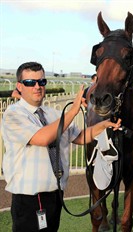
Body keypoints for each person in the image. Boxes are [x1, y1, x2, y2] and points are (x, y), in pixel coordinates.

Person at [1, 62, 121, 232]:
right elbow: (43, 138)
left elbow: (79, 137)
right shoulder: (13, 114)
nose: (37, 87)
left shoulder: (53, 114)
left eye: (41, 82)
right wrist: (73, 111)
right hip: (29, 199)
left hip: (55, 195)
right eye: (30, 83)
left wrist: (104, 126)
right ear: (19, 86)